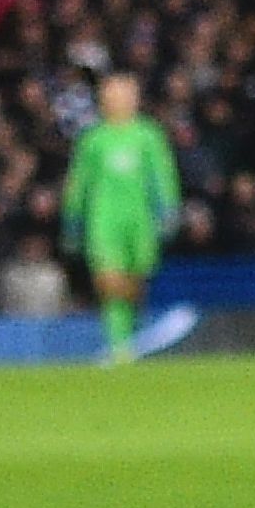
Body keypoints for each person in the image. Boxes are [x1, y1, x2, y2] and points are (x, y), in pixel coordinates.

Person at [60, 73, 179, 364]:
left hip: (140, 221)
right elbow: (79, 182)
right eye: (113, 94)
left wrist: (169, 209)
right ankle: (119, 346)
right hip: (102, 220)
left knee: (134, 282)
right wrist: (72, 219)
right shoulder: (94, 139)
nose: (120, 99)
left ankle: (132, 337)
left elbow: (162, 174)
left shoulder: (148, 135)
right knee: (109, 281)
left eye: (126, 93)